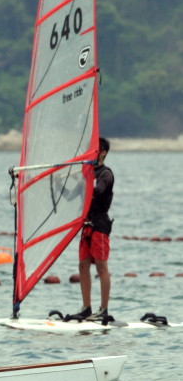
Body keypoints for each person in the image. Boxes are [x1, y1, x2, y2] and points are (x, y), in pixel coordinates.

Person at [74, 137, 115, 323]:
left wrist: (82, 180)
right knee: (83, 265)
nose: (92, 152)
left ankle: (104, 310)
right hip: (87, 225)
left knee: (101, 266)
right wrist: (57, 182)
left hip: (100, 224)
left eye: (95, 150)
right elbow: (71, 196)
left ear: (103, 152)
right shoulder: (88, 172)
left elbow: (97, 191)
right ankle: (86, 308)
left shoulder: (106, 174)